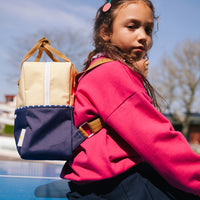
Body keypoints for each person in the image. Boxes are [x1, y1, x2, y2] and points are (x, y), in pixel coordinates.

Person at [61, 0, 200, 199]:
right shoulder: (113, 72)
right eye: (132, 26)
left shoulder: (97, 68)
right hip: (118, 184)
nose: (143, 36)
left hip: (96, 183)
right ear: (105, 32)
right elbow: (155, 138)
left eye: (148, 29)